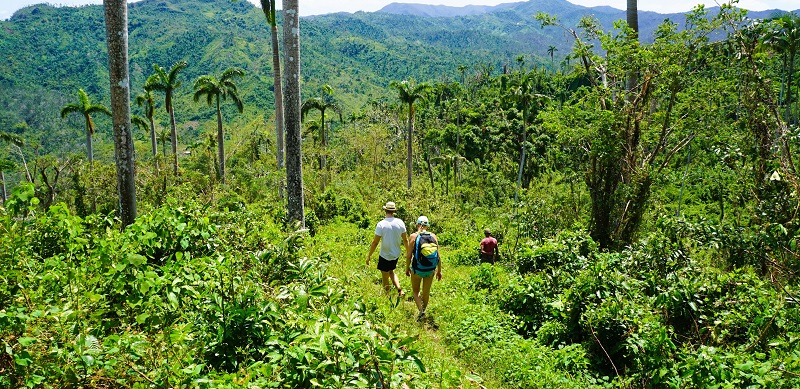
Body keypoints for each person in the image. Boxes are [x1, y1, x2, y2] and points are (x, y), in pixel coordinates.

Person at [366, 201, 408, 297]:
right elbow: (405, 240)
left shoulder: (381, 224)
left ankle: (387, 296)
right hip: (395, 254)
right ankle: (400, 290)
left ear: (385, 210)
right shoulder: (400, 223)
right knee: (391, 271)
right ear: (394, 211)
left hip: (385, 255)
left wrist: (369, 256)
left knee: (385, 276)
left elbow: (375, 242)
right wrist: (408, 253)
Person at [405, 215, 442, 321]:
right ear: (428, 226)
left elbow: (408, 256)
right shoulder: (433, 236)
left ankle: (421, 311)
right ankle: (423, 311)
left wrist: (407, 268)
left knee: (416, 292)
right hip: (430, 270)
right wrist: (439, 271)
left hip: (417, 269)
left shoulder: (413, 236)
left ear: (417, 224)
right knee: (426, 292)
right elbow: (438, 256)